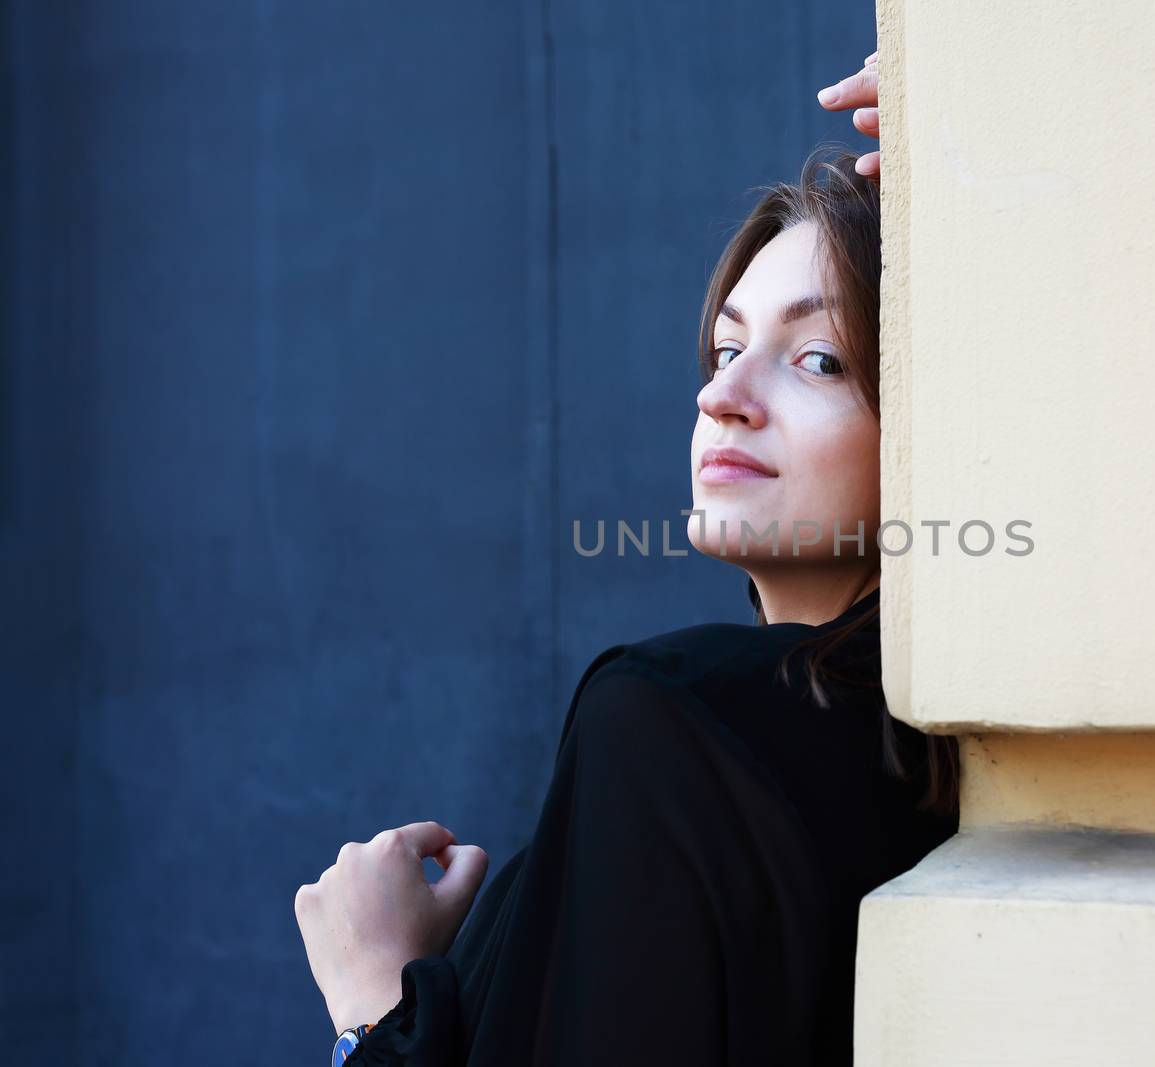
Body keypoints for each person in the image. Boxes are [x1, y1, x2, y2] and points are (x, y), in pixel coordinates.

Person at [292, 49, 954, 1065]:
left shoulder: (667, 722)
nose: (720, 395)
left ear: (933, 427)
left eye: (818, 358)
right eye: (727, 349)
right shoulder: (939, 773)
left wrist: (376, 1003)